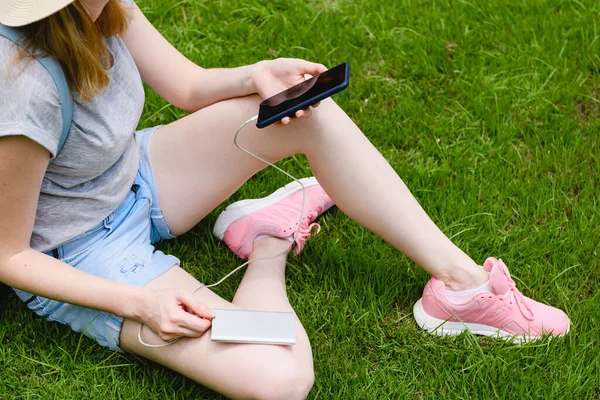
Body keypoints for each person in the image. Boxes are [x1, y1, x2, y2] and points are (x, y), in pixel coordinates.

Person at [0, 0, 569, 399]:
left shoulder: (101, 7)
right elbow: (10, 256)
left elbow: (188, 86)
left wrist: (257, 74)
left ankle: (462, 287)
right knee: (281, 380)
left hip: (132, 175)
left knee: (310, 112)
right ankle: (268, 240)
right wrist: (135, 304)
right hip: (81, 254)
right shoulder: (25, 86)